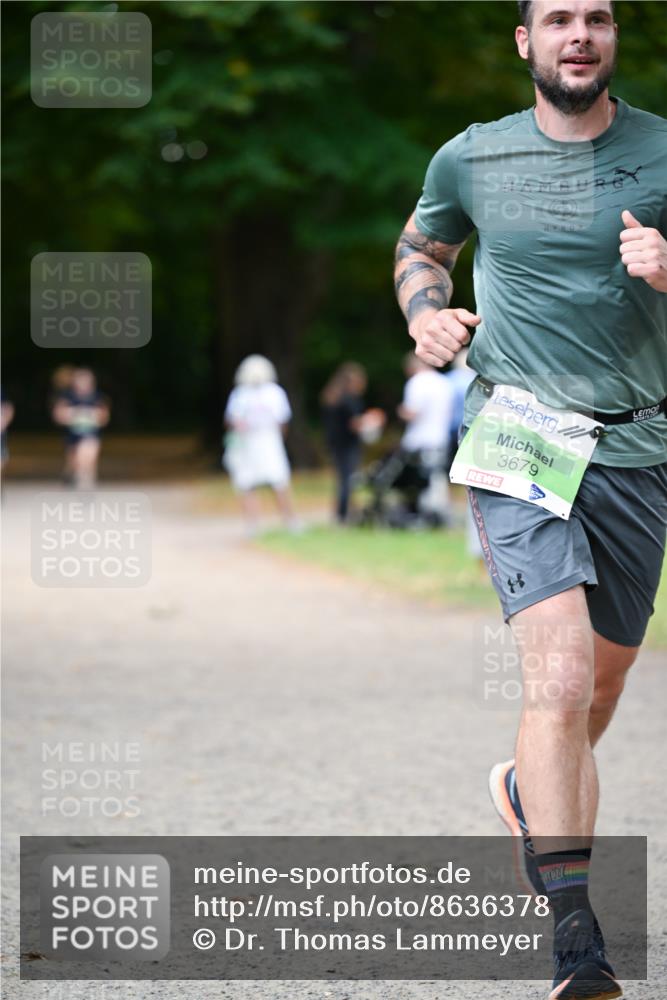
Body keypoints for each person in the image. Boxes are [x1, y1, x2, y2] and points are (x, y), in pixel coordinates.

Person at [393, 2, 666, 997]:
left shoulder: (665, 152)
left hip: (639, 441)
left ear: (612, 39)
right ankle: (576, 946)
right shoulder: (470, 158)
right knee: (554, 683)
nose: (579, 34)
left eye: (596, 17)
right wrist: (426, 316)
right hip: (517, 432)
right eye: (557, 19)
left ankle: (525, 788)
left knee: (597, 689)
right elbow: (420, 248)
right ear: (526, 42)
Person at [223, 354, 300, 536]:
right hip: (257, 442)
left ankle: (282, 521)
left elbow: (231, 419)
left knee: (273, 482)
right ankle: (266, 523)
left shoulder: (246, 393)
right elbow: (283, 421)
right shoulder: (266, 392)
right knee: (254, 482)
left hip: (262, 441)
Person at [321, 362, 385, 523]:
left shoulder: (333, 397)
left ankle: (345, 511)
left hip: (336, 443)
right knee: (348, 479)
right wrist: (373, 420)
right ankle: (342, 515)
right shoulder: (349, 400)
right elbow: (355, 424)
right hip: (347, 444)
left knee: (343, 478)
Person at [397, 352, 453, 523]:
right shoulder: (444, 383)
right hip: (440, 437)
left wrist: (400, 412)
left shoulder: (416, 383)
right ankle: (440, 513)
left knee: (419, 479)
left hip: (419, 440)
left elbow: (413, 412)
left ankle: (424, 513)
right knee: (437, 476)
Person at [51, 368, 110, 489]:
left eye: (86, 380)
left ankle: (87, 482)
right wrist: (71, 415)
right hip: (72, 436)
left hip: (90, 434)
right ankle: (72, 475)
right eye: (80, 380)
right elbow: (58, 415)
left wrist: (94, 415)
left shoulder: (97, 397)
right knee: (75, 461)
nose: (83, 383)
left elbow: (104, 417)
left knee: (87, 457)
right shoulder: (68, 396)